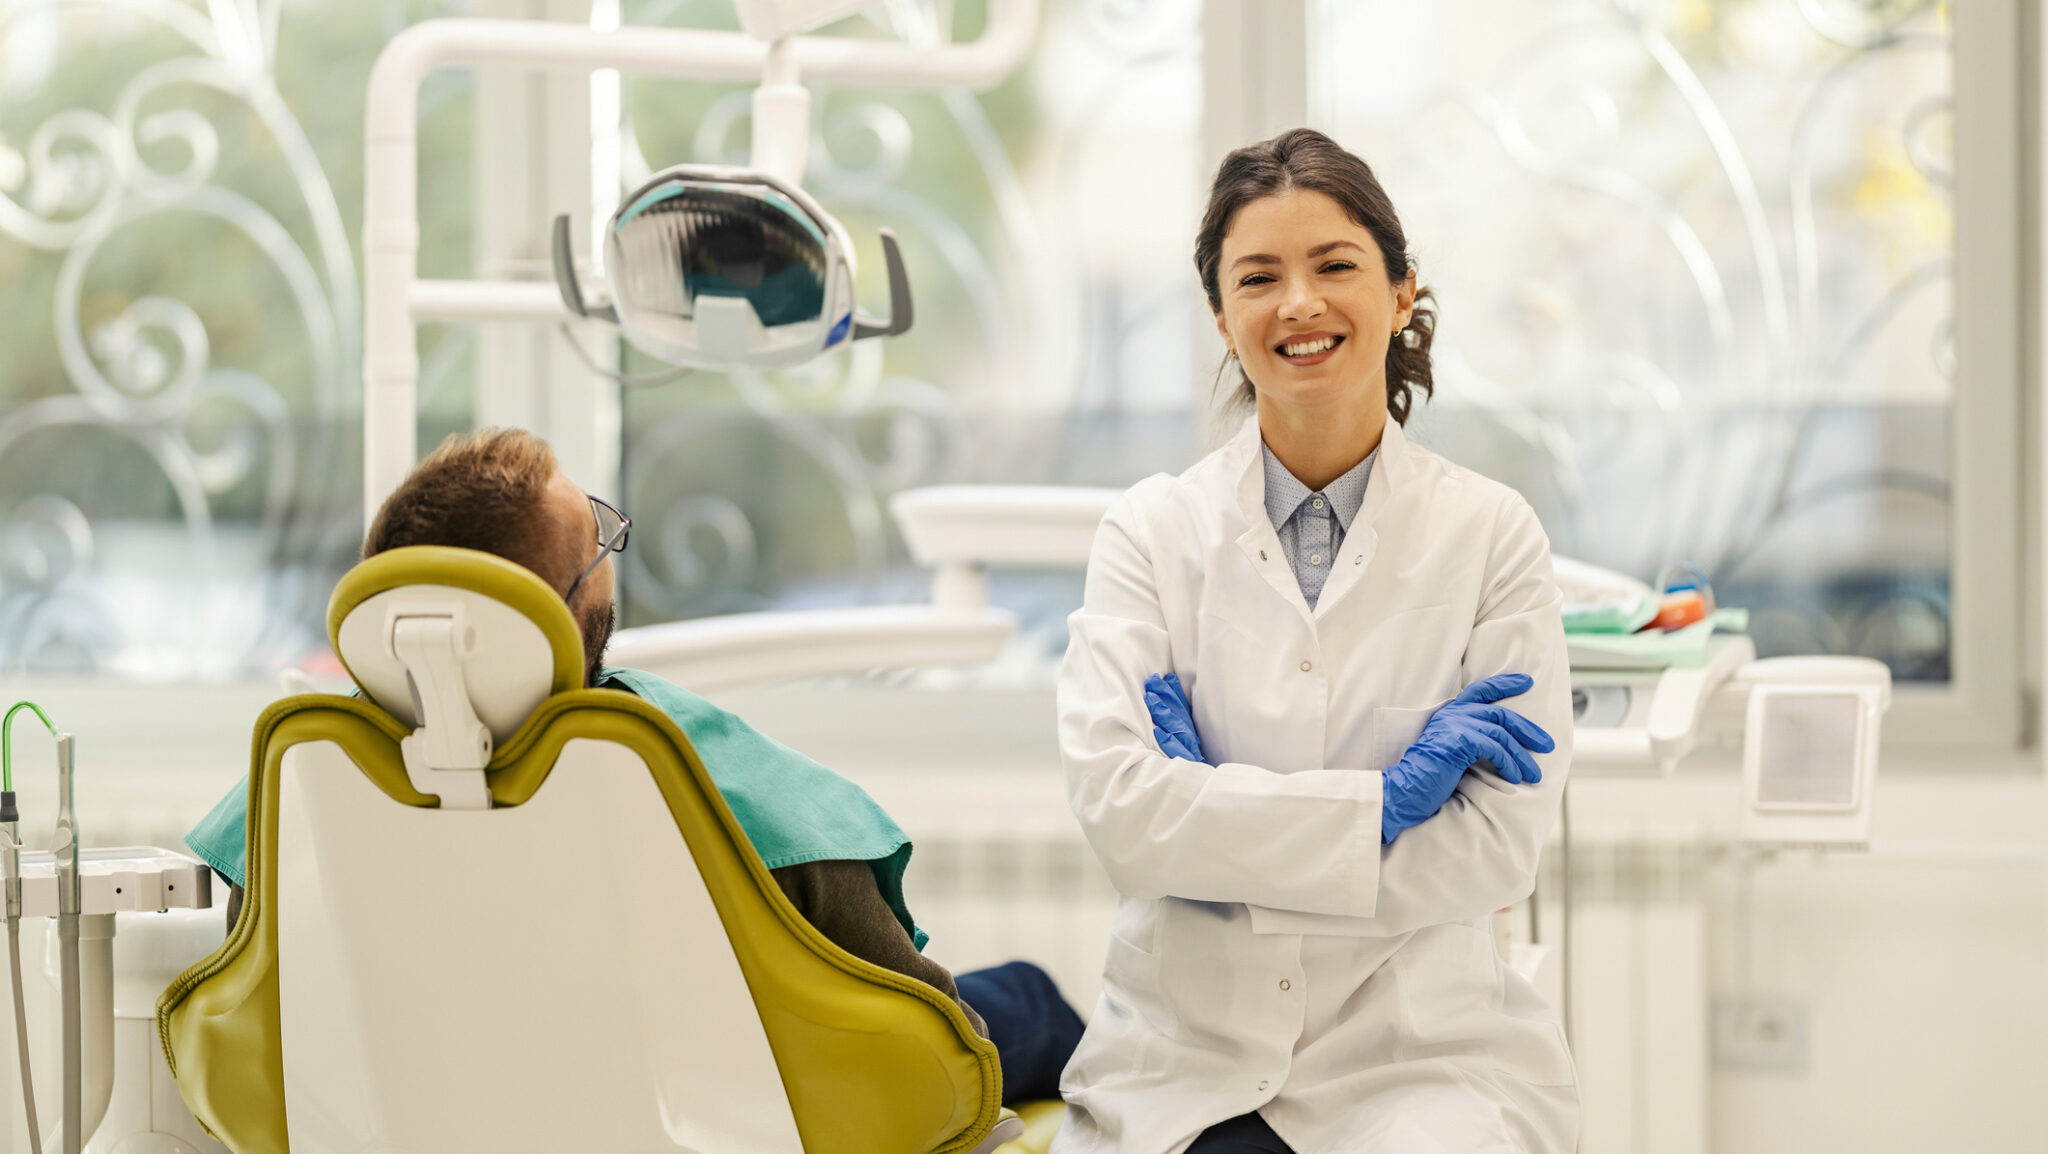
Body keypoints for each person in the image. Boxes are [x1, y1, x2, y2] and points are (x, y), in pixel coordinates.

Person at [183, 427, 1082, 1104]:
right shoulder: (672, 771)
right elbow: (930, 1036)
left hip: (454, 1103)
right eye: (599, 546)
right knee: (1030, 1003)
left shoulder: (308, 786)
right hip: (732, 1113)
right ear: (558, 613)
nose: (613, 562)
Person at [1053, 128, 1576, 1153]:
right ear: (1220, 316)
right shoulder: (1149, 533)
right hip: (1184, 1052)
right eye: (1257, 277)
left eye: (1333, 265)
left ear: (1398, 294)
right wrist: (1379, 806)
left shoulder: (1490, 533)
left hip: (1417, 1058)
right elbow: (1121, 818)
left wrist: (1210, 822)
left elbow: (1492, 850)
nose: (1297, 302)